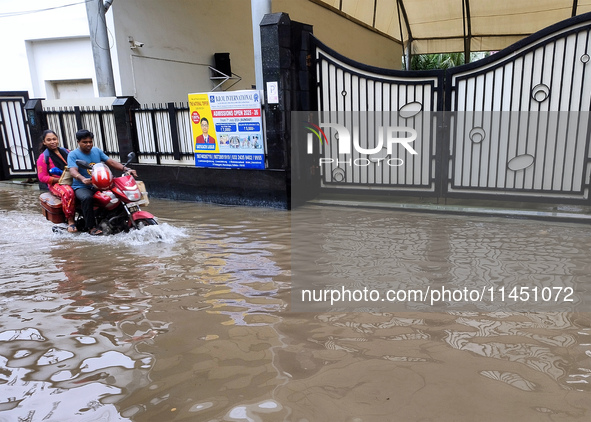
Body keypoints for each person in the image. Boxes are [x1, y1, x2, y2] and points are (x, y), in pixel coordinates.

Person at [67, 129, 137, 236]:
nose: (88, 144)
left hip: (100, 184)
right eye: (85, 142)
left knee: (118, 193)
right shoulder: (73, 155)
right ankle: (91, 227)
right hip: (82, 186)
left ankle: (123, 219)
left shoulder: (97, 151)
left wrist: (126, 169)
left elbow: (111, 162)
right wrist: (82, 179)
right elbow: (73, 170)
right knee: (87, 198)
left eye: (90, 141)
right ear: (78, 142)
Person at [36, 130, 78, 232]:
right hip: (56, 183)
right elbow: (42, 177)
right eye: (49, 140)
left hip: (72, 178)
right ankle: (70, 220)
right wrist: (59, 179)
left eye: (54, 139)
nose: (52, 142)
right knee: (68, 192)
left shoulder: (67, 152)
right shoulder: (43, 157)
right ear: (44, 142)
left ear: (58, 140)